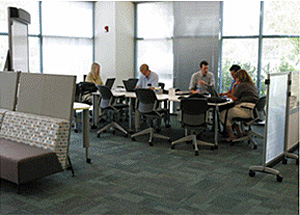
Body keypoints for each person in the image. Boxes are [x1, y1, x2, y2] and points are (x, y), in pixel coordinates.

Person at [220, 69, 259, 142]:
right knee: (232, 113)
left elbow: (233, 97)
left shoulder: (242, 85)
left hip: (246, 109)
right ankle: (239, 133)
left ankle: (231, 136)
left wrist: (234, 86)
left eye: (236, 78)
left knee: (223, 114)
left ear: (239, 78)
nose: (235, 79)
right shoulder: (251, 84)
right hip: (253, 109)